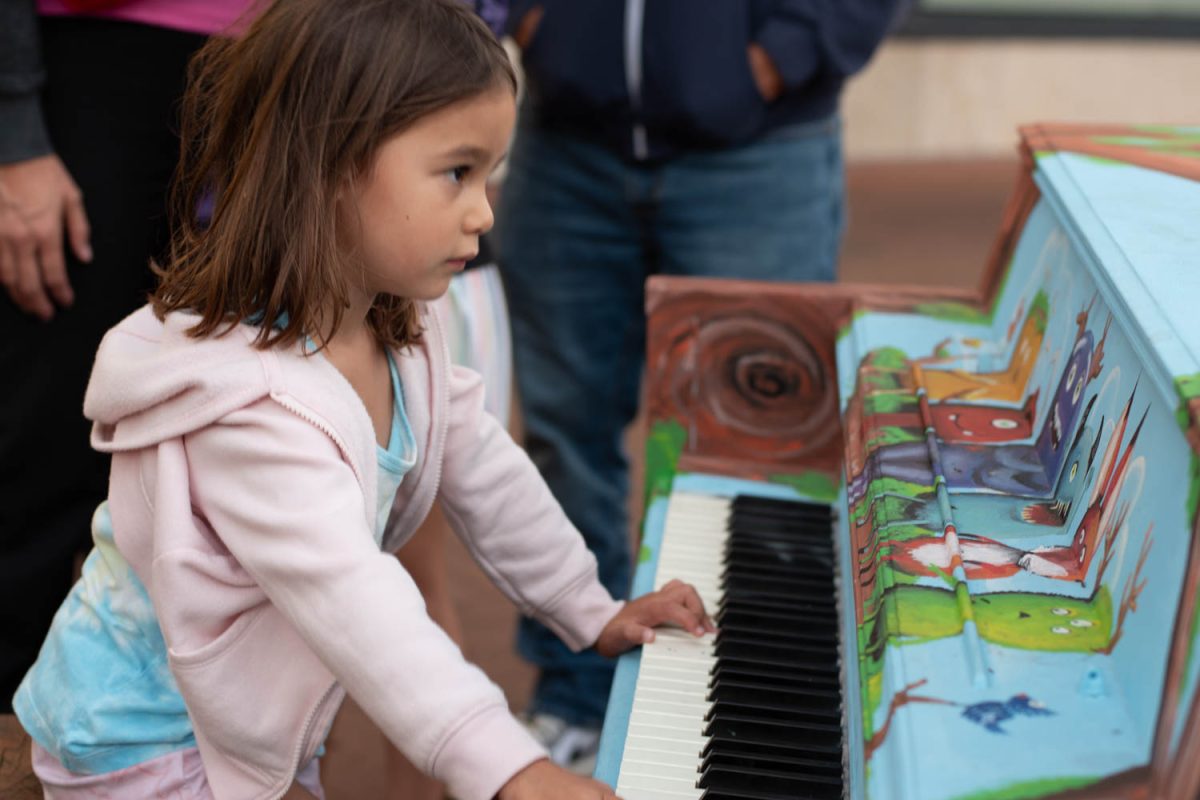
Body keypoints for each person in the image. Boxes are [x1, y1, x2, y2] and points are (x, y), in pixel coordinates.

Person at [10, 1, 713, 798]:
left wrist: (589, 610)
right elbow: (359, 603)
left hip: (243, 714)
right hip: (137, 741)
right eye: (457, 172)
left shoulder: (397, 329)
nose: (484, 210)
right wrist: (513, 770)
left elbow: (484, 466)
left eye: (491, 174)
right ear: (331, 166)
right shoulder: (251, 410)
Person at [496, 0, 907, 770]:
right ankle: (576, 697)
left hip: (761, 147)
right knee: (564, 435)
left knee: (758, 448)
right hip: (566, 144)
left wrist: (786, 51)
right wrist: (531, 21)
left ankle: (738, 732)